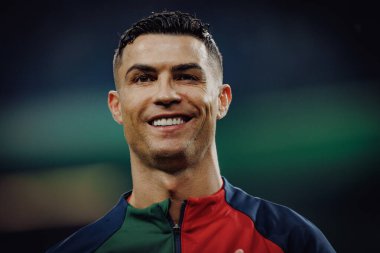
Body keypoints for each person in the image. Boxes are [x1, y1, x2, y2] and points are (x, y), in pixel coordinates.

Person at [47, 11, 335, 253]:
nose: (166, 94)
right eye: (144, 78)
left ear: (222, 100)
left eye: (186, 76)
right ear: (117, 106)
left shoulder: (293, 240)